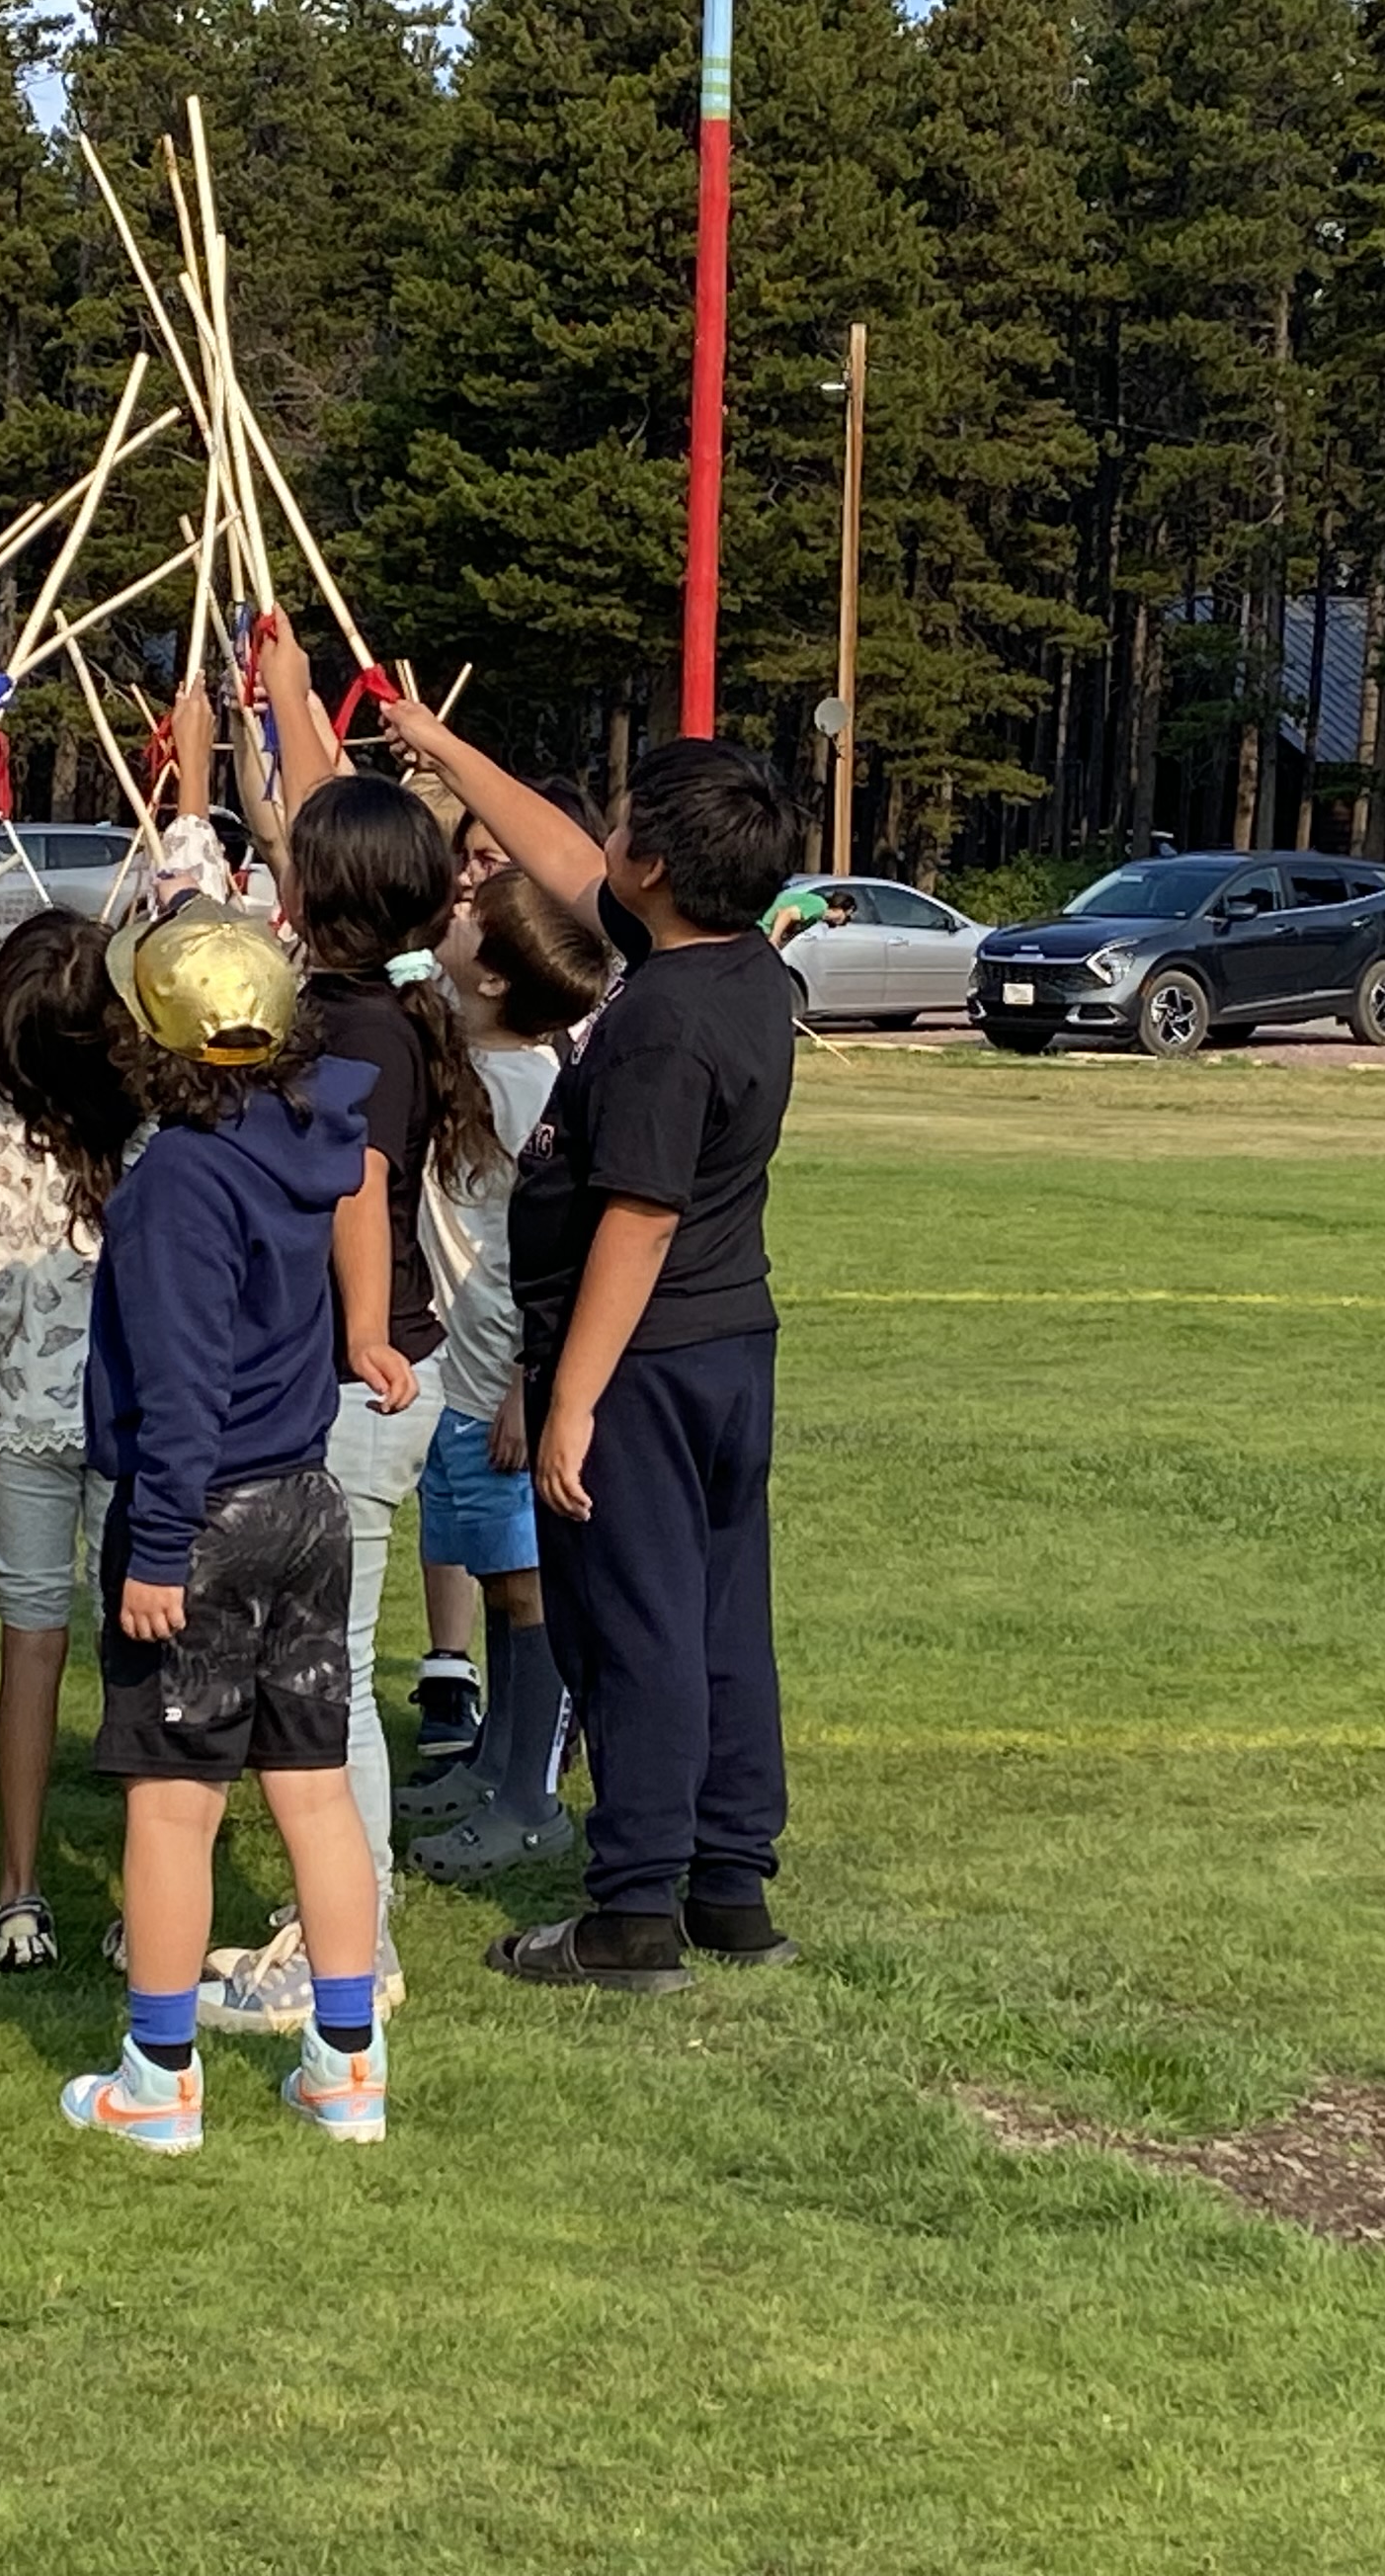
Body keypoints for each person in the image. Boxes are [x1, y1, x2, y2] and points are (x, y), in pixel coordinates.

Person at [381, 690, 810, 1997]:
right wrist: (442, 744)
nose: (593, 845)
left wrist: (569, 1400)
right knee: (726, 1616)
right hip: (728, 1349)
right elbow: (567, 864)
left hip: (649, 1360)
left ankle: (632, 1909)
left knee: (637, 1629)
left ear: (657, 869)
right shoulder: (735, 968)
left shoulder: (668, 1021)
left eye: (618, 828)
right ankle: (729, 1883)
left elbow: (636, 1218)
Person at [62, 895, 387, 2150]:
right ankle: (346, 2065)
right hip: (308, 1503)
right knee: (315, 1793)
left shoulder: (178, 1184)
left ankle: (157, 2077)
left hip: (204, 1514)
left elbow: (184, 1383)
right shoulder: (306, 1140)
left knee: (172, 1800)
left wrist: (154, 1548)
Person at [224, 612, 477, 2030]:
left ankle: (355, 1940)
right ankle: (338, 1913)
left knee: (322, 1676)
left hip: (362, 1380)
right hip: (358, 1374)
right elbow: (330, 816)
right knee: (313, 1666)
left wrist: (366, 1333)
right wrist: (291, 697)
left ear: (327, 903)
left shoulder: (363, 1032)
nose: (280, 875)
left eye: (297, 872)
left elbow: (358, 1194)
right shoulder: (370, 993)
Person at [0, 911, 147, 1971]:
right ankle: (120, 1894)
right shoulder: (156, 1109)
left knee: (41, 1647)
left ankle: (23, 1893)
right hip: (125, 1419)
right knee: (129, 1651)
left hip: (34, 1420)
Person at [398, 865, 613, 1879]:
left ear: (491, 979)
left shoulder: (531, 1088)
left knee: (528, 1591)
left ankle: (532, 1796)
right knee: (491, 1575)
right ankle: (490, 1766)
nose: (457, 911)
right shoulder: (453, 1025)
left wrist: (533, 1385)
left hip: (502, 1389)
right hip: (456, 1377)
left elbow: (555, 1260)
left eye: (473, 920)